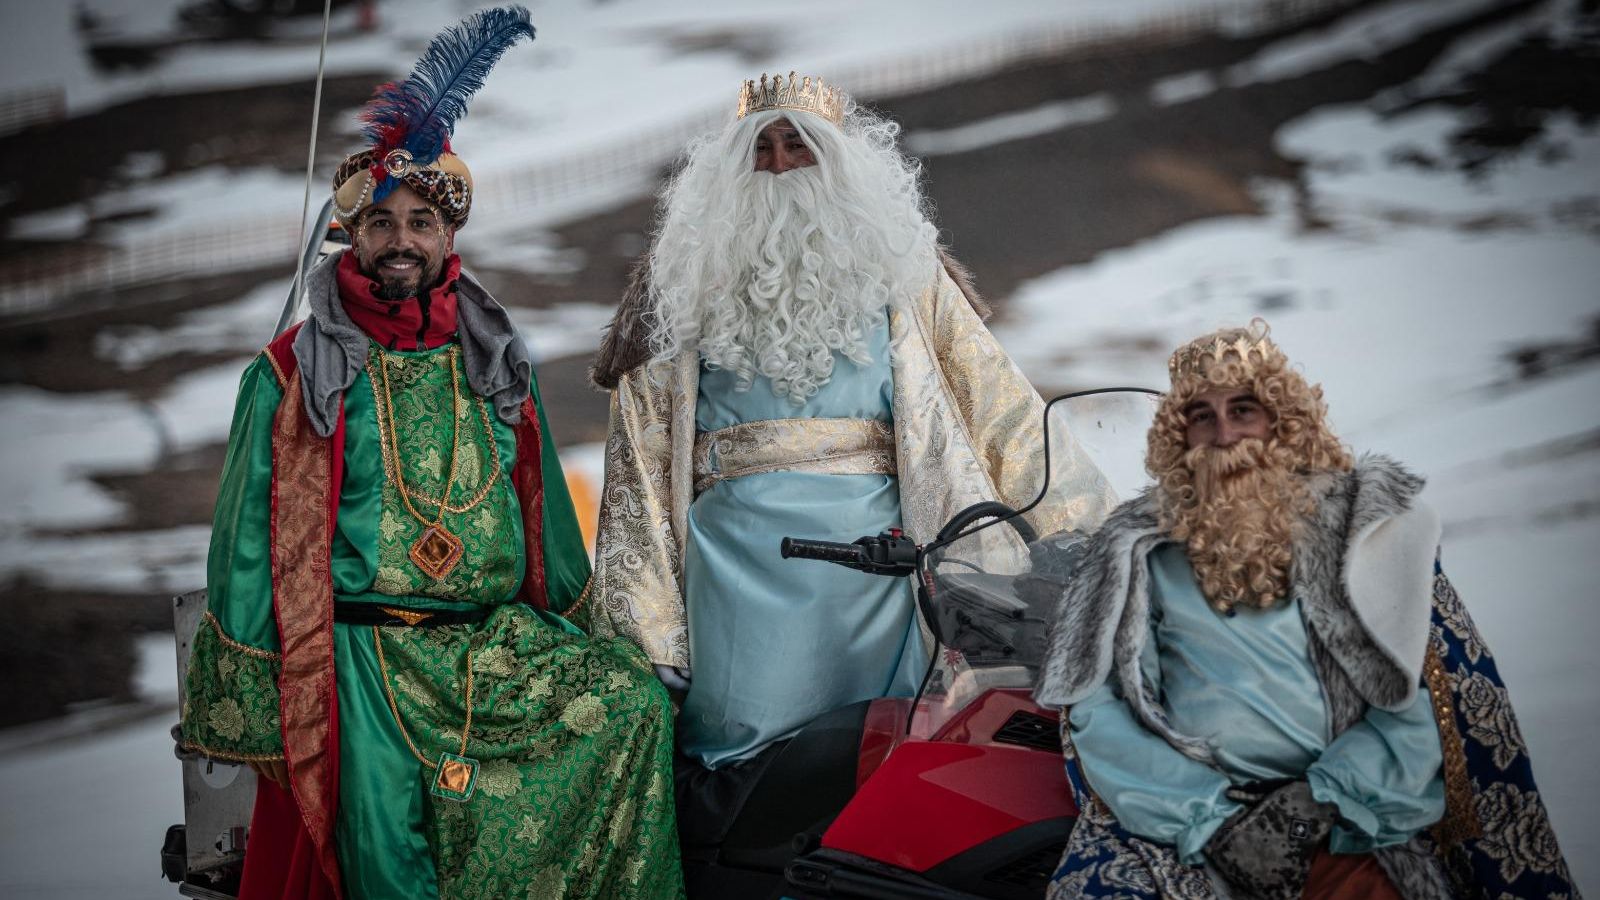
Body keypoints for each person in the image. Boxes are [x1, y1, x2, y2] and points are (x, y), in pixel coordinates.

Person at [179, 9, 682, 899]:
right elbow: (247, 543)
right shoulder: (291, 372)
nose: (401, 239)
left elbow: (541, 513)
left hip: (492, 652)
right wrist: (260, 699)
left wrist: (594, 630)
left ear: (450, 238)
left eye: (420, 221)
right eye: (380, 222)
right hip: (366, 663)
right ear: (350, 236)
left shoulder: (493, 354)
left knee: (629, 706)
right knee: (392, 870)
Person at [586, 71, 1116, 774]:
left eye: (798, 146)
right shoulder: (680, 277)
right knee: (743, 768)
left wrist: (1087, 536)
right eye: (763, 149)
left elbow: (998, 408)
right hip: (736, 561)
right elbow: (639, 464)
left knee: (884, 750)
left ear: (834, 161)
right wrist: (649, 624)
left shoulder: (903, 269)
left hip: (879, 560)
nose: (779, 165)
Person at [1035, 322, 1578, 900]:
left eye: (1243, 410)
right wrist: (1212, 822)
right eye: (1202, 416)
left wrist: (1315, 807)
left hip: (1343, 818)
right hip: (1181, 826)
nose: (1224, 435)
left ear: (1282, 420)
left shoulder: (1366, 538)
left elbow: (1418, 710)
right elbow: (1106, 714)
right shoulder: (1135, 548)